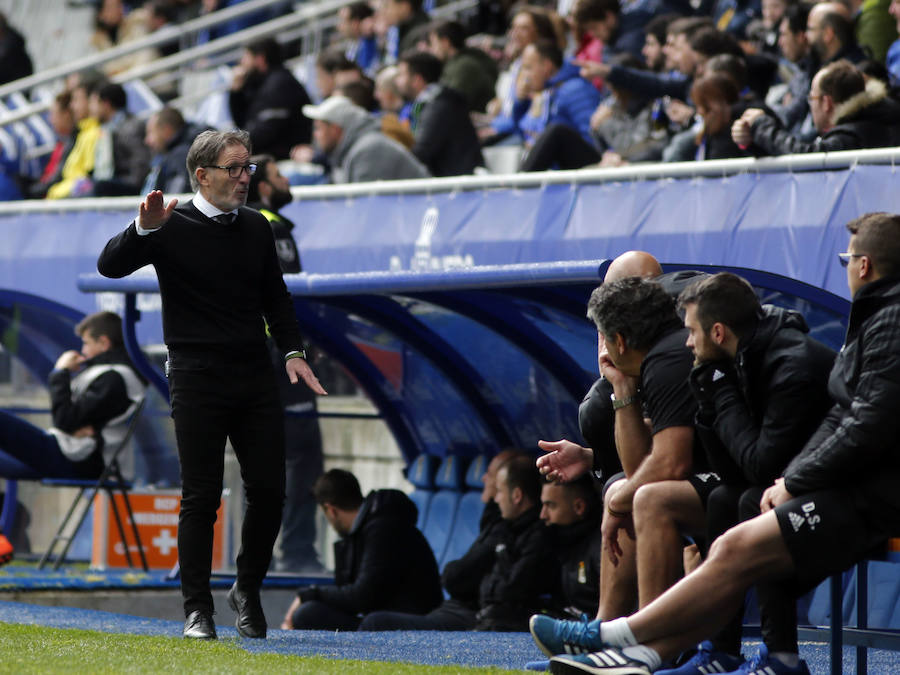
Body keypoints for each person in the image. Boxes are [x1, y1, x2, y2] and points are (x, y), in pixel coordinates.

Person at [545, 211, 900, 675]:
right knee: (730, 506)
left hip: (865, 494)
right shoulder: (870, 320)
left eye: (691, 331)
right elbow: (837, 419)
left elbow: (854, 428)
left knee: (722, 525)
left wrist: (791, 478)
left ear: (865, 265)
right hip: (824, 484)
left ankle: (626, 640)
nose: (686, 341)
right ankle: (678, 649)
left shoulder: (862, 333)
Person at [97, 129, 327, 641]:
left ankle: (247, 589)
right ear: (202, 175)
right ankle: (197, 610)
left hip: (254, 373)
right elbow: (108, 266)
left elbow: (276, 296)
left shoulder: (256, 226)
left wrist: (293, 352)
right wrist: (142, 228)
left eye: (248, 168)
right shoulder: (169, 223)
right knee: (201, 495)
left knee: (269, 491)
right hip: (196, 374)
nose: (246, 178)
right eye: (235, 169)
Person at [649, 272, 835, 675]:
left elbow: (761, 467)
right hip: (787, 483)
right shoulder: (742, 356)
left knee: (755, 502)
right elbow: (730, 472)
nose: (687, 343)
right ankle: (720, 651)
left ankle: (783, 658)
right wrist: (707, 399)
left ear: (718, 332)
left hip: (844, 493)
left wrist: (720, 392)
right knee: (723, 497)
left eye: (691, 331)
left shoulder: (792, 366)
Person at [532, 275, 708, 652]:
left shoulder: (668, 358)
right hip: (730, 477)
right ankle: (607, 634)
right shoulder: (648, 365)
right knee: (627, 489)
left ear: (620, 339)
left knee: (646, 499)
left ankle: (645, 646)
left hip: (755, 484)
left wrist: (616, 503)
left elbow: (669, 464)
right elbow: (640, 467)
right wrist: (622, 391)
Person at [247, 153, 325, 572]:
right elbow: (289, 298)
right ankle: (296, 552)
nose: (286, 180)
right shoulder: (272, 227)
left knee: (265, 458)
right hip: (281, 359)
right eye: (278, 175)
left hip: (253, 357)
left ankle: (263, 553)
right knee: (302, 457)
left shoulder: (238, 222)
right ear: (263, 187)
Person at [358, 449, 523, 631]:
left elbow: (460, 576)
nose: (483, 478)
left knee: (375, 622)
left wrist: (451, 573)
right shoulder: (493, 521)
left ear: (513, 491)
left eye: (490, 474)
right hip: (453, 606)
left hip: (469, 613)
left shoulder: (504, 531)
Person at [281, 468, 443, 630]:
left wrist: (310, 594)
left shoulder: (383, 530)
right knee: (310, 611)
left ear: (331, 510)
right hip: (385, 614)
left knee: (308, 614)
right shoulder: (366, 529)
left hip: (408, 619)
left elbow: (362, 596)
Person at [0, 311, 145, 481]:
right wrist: (74, 427)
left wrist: (60, 372)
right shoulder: (109, 373)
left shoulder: (114, 378)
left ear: (104, 343)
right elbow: (71, 421)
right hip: (74, 453)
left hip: (79, 459)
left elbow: (64, 420)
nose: (83, 350)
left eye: (86, 343)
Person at [732, 59, 900, 155]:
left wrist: (761, 126)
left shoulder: (850, 136)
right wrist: (751, 142)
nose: (810, 105)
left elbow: (803, 156)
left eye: (812, 98)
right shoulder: (876, 117)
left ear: (826, 103)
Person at [476, 454, 560, 631]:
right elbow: (487, 583)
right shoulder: (508, 528)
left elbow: (512, 590)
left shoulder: (539, 535)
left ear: (517, 495)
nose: (496, 499)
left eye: (499, 491)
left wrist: (492, 588)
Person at [302, 95, 429, 183]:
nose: (315, 135)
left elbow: (366, 208)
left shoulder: (368, 150)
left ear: (335, 129)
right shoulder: (347, 152)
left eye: (318, 128)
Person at [395, 50, 484, 176]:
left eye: (401, 75)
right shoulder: (428, 104)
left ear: (416, 80)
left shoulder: (440, 107)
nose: (397, 81)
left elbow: (420, 152)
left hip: (456, 183)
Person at [229, 38, 313, 160]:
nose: (242, 62)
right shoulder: (261, 83)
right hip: (269, 156)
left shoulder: (280, 84)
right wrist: (236, 93)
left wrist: (235, 146)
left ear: (260, 59)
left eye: (246, 57)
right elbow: (242, 122)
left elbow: (264, 132)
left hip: (283, 158)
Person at [541, 476, 604, 619]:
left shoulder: (602, 547)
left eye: (550, 506)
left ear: (579, 507)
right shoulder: (554, 542)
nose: (543, 515)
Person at [428, 20, 498, 112]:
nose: (432, 50)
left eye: (434, 44)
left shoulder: (464, 66)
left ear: (445, 42)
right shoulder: (455, 63)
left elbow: (452, 105)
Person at [141, 107, 205, 195]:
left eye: (150, 132)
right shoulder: (175, 154)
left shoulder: (180, 156)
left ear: (167, 130)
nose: (147, 140)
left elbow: (175, 197)